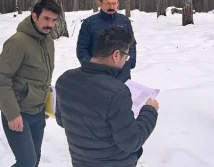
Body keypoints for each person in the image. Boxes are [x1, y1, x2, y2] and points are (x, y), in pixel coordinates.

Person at [55, 26, 159, 167]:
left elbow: (63, 120)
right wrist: (149, 111)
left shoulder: (64, 79)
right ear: (116, 55)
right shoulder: (117, 92)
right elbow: (131, 141)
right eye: (126, 56)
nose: (125, 61)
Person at [0, 0, 62, 167]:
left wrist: (46, 104)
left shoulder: (48, 41)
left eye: (54, 20)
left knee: (34, 159)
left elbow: (43, 77)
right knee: (27, 162)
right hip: (19, 112)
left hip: (38, 112)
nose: (50, 24)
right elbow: (1, 80)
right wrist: (12, 114)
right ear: (34, 17)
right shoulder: (17, 42)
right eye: (46, 18)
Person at [77, 0, 136, 82]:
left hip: (122, 73)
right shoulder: (89, 23)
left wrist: (130, 62)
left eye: (114, 3)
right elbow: (82, 48)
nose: (112, 7)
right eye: (108, 4)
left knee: (122, 95)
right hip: (98, 74)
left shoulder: (124, 21)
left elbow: (131, 43)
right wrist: (91, 65)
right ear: (100, 4)